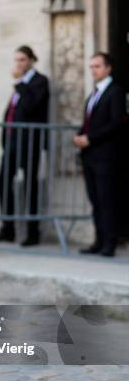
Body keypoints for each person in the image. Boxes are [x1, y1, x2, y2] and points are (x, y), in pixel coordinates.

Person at [0, 45, 49, 246]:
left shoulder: (39, 81)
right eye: (17, 60)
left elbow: (33, 105)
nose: (19, 64)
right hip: (13, 143)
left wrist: (18, 82)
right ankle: (8, 228)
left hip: (30, 142)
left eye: (22, 60)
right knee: (3, 181)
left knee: (31, 185)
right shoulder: (20, 84)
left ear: (31, 60)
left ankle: (33, 233)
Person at [73, 52, 126, 257]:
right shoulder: (93, 94)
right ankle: (98, 240)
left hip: (106, 156)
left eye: (97, 66)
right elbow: (89, 122)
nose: (93, 70)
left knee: (106, 200)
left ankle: (109, 243)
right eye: (91, 66)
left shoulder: (116, 92)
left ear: (108, 68)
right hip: (90, 156)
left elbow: (116, 123)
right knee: (95, 199)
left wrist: (90, 138)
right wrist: (80, 135)